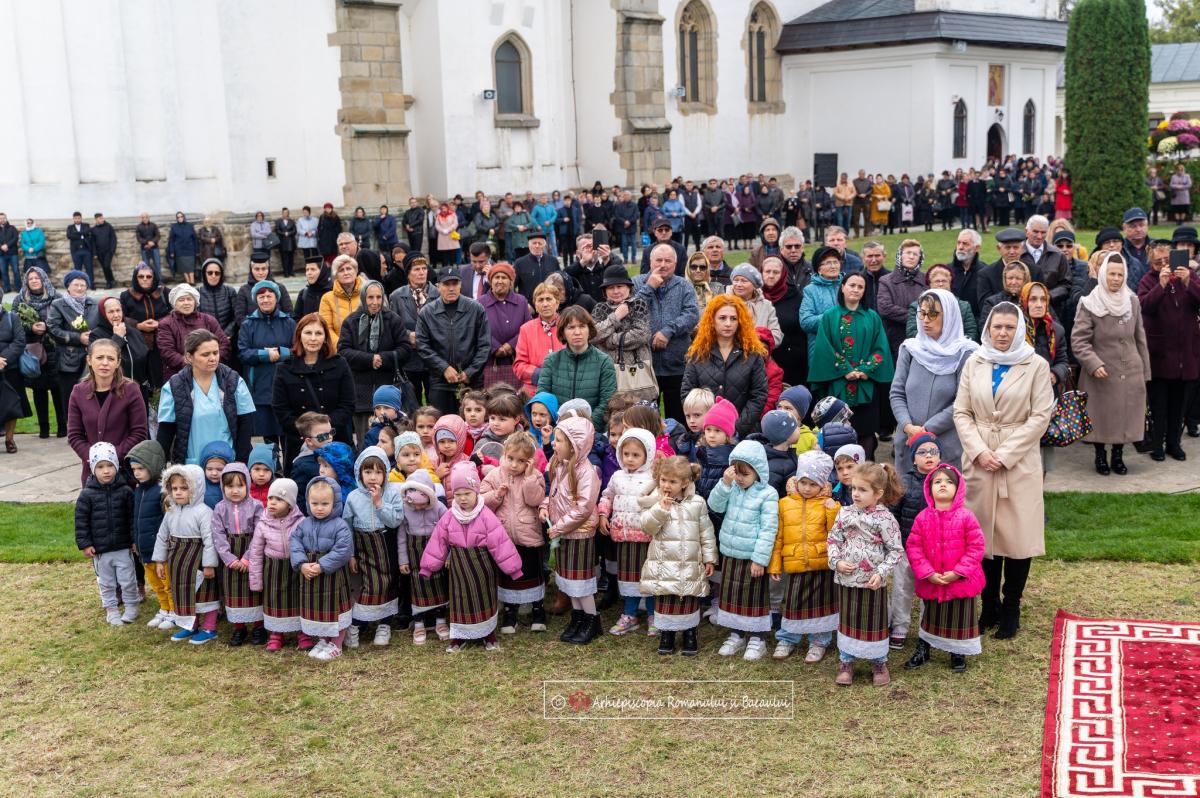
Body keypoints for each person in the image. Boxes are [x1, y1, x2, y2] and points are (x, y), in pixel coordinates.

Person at [953, 302, 1055, 639]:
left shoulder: (1036, 365)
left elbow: (1040, 416)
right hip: (979, 459)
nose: (1002, 333)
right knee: (983, 536)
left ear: (1020, 330)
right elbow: (961, 412)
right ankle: (989, 605)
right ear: (988, 328)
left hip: (1019, 460)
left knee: (1017, 536)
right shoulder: (975, 361)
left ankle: (1011, 606)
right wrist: (980, 451)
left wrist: (1005, 454)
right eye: (997, 326)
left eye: (1010, 327)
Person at [1072, 253, 1152, 475]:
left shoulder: (1132, 301)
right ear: (1102, 274)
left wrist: (1145, 372)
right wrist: (1093, 363)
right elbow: (1079, 341)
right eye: (1112, 274)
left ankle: (1118, 455)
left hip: (1130, 371)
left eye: (1120, 274)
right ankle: (1100, 455)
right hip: (1101, 373)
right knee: (1101, 417)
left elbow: (1140, 337)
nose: (1116, 279)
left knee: (1125, 417)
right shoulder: (1089, 303)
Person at [902, 464, 986, 672]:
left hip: (960, 581)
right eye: (937, 481)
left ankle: (957, 652)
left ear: (958, 489)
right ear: (929, 488)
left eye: (949, 482)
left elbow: (976, 547)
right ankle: (924, 648)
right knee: (931, 615)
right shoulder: (922, 517)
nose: (943, 485)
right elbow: (914, 547)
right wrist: (927, 573)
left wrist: (958, 572)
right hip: (933, 579)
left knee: (959, 617)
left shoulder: (966, 516)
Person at [827, 461, 904, 686]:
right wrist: (837, 561)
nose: (856, 494)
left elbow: (895, 551)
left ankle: (878, 661)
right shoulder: (844, 513)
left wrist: (881, 572)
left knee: (873, 621)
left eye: (862, 490)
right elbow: (833, 540)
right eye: (854, 488)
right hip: (847, 580)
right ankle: (846, 661)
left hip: (872, 582)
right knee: (849, 618)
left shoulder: (885, 519)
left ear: (878, 493)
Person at [890, 288, 978, 478]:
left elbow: (963, 401)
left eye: (933, 314)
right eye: (922, 313)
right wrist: (908, 426)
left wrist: (927, 430)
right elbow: (897, 393)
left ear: (950, 316)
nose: (925, 320)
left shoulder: (966, 353)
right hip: (908, 443)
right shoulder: (910, 349)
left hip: (945, 446)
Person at [809, 272, 895, 460]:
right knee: (838, 433)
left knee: (866, 434)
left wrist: (865, 370)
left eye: (860, 287)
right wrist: (846, 370)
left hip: (865, 385)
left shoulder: (872, 317)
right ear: (842, 287)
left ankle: (865, 469)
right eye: (852, 285)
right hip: (838, 385)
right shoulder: (830, 316)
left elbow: (880, 348)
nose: (855, 290)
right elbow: (824, 348)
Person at [638, 455, 716, 656]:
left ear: (685, 483)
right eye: (663, 480)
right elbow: (647, 527)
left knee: (688, 597)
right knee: (666, 598)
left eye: (672, 482)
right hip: (664, 563)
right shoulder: (656, 501)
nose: (666, 485)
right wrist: (660, 510)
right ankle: (667, 634)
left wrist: (709, 558)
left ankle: (690, 633)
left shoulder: (697, 503)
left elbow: (706, 532)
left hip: (689, 563)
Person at [708, 439, 778, 662]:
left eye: (745, 474)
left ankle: (757, 638)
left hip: (752, 557)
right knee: (732, 594)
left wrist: (760, 559)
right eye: (736, 472)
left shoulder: (768, 494)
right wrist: (724, 484)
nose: (739, 478)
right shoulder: (732, 487)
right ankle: (736, 634)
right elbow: (715, 506)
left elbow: (769, 529)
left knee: (753, 597)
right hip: (731, 552)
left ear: (758, 471)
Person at [770, 450, 840, 662]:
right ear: (797, 480)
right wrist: (775, 565)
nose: (807, 488)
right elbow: (778, 536)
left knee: (821, 605)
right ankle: (787, 638)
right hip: (795, 563)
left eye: (813, 484)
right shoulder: (784, 504)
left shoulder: (828, 504)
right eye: (804, 483)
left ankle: (819, 641)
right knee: (793, 603)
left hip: (821, 563)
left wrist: (832, 510)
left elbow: (835, 532)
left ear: (822, 484)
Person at [1138, 242, 1200, 461]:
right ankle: (1157, 444)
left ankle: (1174, 443)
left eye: (1167, 260)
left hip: (1186, 352)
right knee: (1159, 405)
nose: (1164, 264)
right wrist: (1161, 285)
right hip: (1160, 353)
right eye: (1158, 262)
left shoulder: (1189, 276)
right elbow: (1144, 306)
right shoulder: (1147, 280)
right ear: (1151, 263)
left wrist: (1188, 282)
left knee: (1178, 404)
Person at [157, 329, 254, 467]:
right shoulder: (174, 386)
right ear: (189, 357)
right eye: (205, 354)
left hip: (227, 465)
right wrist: (158, 467)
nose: (213, 358)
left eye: (216, 352)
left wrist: (240, 461)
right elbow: (166, 430)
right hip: (191, 465)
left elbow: (246, 424)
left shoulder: (234, 381)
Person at [545, 415, 603, 645]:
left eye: (559, 440)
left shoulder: (585, 471)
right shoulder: (560, 464)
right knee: (569, 580)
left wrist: (559, 527)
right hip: (564, 533)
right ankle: (578, 617)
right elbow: (553, 494)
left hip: (579, 534)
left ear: (574, 444)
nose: (554, 443)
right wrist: (544, 508)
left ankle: (592, 620)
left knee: (581, 583)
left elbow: (584, 508)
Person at [680, 294, 768, 440]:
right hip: (707, 436)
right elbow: (687, 393)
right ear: (712, 320)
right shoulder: (698, 354)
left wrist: (735, 427)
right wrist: (708, 425)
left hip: (742, 435)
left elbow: (759, 395)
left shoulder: (753, 354)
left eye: (733, 318)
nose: (728, 323)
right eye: (722, 318)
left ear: (740, 321)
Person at [597, 428, 658, 636]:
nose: (630, 459)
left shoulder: (652, 478)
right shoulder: (617, 477)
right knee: (628, 578)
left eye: (636, 455)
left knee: (647, 577)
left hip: (645, 537)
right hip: (623, 536)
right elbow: (607, 496)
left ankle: (653, 614)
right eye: (626, 454)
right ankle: (630, 613)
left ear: (647, 455)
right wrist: (603, 514)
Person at [632, 243, 700, 423]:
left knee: (677, 420)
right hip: (645, 365)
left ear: (675, 264)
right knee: (646, 420)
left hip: (677, 365)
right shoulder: (636, 283)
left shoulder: (684, 285)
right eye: (658, 260)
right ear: (650, 262)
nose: (663, 265)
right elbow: (631, 312)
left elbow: (692, 314)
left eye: (668, 261)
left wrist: (668, 331)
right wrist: (649, 287)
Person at [66, 336, 148, 485]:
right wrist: (95, 458)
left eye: (110, 358)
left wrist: (112, 457)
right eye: (99, 357)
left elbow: (139, 432)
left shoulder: (131, 390)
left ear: (118, 362)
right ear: (89, 360)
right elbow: (74, 435)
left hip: (124, 473)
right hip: (92, 473)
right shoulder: (78, 392)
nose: (105, 363)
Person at [152, 463, 219, 643]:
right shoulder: (171, 511)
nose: (178, 492)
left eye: (184, 488)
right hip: (178, 562)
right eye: (174, 488)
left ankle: (210, 628)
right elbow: (162, 536)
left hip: (198, 562)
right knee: (185, 595)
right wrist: (159, 561)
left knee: (204, 596)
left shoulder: (204, 512)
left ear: (196, 488)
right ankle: (190, 626)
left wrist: (209, 565)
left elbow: (210, 541)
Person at [338, 280, 411, 444]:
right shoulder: (352, 321)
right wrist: (369, 359)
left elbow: (405, 349)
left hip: (388, 394)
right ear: (363, 298)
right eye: (370, 297)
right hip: (360, 393)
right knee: (366, 443)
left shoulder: (393, 320)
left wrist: (383, 358)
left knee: (391, 441)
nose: (375, 302)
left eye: (379, 297)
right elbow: (343, 351)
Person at [289, 477, 354, 661]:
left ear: (335, 503)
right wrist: (302, 564)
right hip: (311, 574)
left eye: (325, 504)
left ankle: (337, 644)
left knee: (336, 610)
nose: (319, 508)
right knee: (319, 609)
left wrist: (322, 565)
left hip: (333, 576)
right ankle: (324, 639)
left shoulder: (340, 525)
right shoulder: (304, 524)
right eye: (315, 503)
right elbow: (295, 543)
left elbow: (343, 550)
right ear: (308, 502)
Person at [76, 442, 139, 626]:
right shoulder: (87, 495)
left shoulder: (126, 491)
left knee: (128, 580)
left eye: (110, 465)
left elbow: (132, 518)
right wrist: (85, 543)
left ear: (116, 466)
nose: (106, 471)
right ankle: (111, 609)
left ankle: (131, 606)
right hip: (101, 550)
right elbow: (81, 522)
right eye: (100, 466)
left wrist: (134, 540)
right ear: (93, 469)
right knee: (106, 582)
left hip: (123, 547)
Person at [416, 268, 492, 415]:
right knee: (442, 424)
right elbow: (422, 345)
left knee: (472, 424)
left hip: (471, 382)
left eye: (455, 283)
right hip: (440, 382)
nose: (451, 288)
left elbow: (485, 345)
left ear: (460, 285)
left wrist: (470, 372)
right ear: (438, 286)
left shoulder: (476, 309)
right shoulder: (427, 312)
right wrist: (443, 368)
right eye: (446, 284)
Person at [535, 306, 617, 431]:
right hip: (557, 430)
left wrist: (585, 427)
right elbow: (543, 398)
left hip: (592, 431)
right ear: (563, 332)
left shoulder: (604, 362)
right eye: (571, 327)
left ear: (589, 330)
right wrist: (560, 427)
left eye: (582, 326)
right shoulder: (551, 361)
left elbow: (606, 402)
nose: (577, 332)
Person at [247, 478, 306, 650]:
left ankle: (302, 633)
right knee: (274, 601)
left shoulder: (301, 522)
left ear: (290, 504)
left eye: (279, 499)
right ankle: (276, 633)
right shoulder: (263, 524)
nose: (272, 502)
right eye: (270, 498)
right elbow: (255, 553)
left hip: (295, 568)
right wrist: (256, 581)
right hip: (273, 570)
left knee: (297, 600)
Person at [210, 463, 265, 646]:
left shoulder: (256, 506)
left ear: (247, 485)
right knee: (233, 592)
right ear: (223, 487)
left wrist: (248, 557)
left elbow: (259, 533)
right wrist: (229, 559)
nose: (235, 490)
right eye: (230, 486)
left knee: (254, 590)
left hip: (251, 553)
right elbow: (218, 535)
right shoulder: (219, 508)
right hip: (231, 558)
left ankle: (258, 626)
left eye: (240, 485)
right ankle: (239, 627)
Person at [238, 280, 296, 442]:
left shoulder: (289, 323)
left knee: (288, 433)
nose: (265, 300)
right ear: (256, 300)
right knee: (269, 436)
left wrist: (280, 353)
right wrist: (264, 355)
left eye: (269, 296)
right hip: (260, 386)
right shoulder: (248, 325)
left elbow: (298, 350)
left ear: (276, 298)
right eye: (261, 297)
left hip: (286, 384)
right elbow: (243, 353)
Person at [12, 267, 63, 438]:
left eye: (37, 277)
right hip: (33, 352)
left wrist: (48, 326)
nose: (34, 280)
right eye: (30, 278)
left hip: (55, 349)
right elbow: (14, 324)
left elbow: (64, 320)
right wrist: (30, 328)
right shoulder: (20, 299)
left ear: (44, 279)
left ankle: (62, 427)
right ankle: (44, 429)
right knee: (38, 391)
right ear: (26, 281)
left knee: (58, 390)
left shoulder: (56, 297)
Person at [126, 441, 169, 629]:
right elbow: (136, 518)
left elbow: (166, 522)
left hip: (159, 549)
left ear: (153, 465)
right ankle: (164, 608)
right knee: (155, 583)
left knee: (167, 582)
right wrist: (135, 540)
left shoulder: (162, 491)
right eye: (134, 469)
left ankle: (174, 611)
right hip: (144, 549)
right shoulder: (138, 491)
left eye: (141, 468)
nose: (136, 473)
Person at [156, 283, 229, 383]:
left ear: (195, 302)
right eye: (181, 300)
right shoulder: (166, 324)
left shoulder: (208, 320)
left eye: (189, 299)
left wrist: (211, 361)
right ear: (174, 303)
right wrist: (195, 365)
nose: (186, 303)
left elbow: (224, 343)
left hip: (210, 373)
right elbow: (167, 352)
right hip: (179, 376)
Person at [48, 270, 99, 409]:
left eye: (83, 285)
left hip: (92, 358)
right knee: (70, 400)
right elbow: (53, 329)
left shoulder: (94, 304)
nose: (79, 288)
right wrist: (78, 338)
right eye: (76, 284)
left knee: (91, 399)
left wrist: (93, 336)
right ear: (68, 286)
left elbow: (101, 326)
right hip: (68, 360)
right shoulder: (58, 304)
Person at [389, 253, 434, 402]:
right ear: (408, 273)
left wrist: (422, 337)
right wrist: (407, 335)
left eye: (424, 268)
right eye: (416, 269)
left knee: (435, 405)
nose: (421, 272)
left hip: (433, 358)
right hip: (409, 359)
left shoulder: (438, 294)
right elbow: (392, 325)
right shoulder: (396, 296)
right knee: (412, 405)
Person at [478, 262, 528, 390]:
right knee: (493, 396)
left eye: (504, 277)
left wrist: (511, 345)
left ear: (511, 281)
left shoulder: (521, 301)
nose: (500, 281)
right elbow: (478, 330)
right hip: (490, 361)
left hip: (517, 359)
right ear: (490, 281)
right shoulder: (481, 302)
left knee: (516, 397)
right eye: (496, 277)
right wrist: (496, 347)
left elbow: (528, 329)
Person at [513, 281, 565, 397]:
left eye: (549, 299)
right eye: (540, 300)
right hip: (535, 392)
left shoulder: (567, 326)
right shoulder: (526, 329)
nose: (545, 304)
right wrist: (541, 374)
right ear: (535, 306)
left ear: (557, 303)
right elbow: (519, 366)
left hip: (565, 389)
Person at [90, 297, 150, 390]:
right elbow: (103, 359)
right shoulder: (96, 335)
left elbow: (145, 357)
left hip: (139, 387)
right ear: (103, 314)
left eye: (118, 310)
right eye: (111, 312)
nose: (116, 315)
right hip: (112, 388)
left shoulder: (134, 332)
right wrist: (118, 337)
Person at [800, 246, 844, 359]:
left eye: (835, 262)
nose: (833, 266)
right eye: (828, 263)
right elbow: (806, 322)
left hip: (848, 346)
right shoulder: (810, 290)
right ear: (819, 269)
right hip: (822, 349)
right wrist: (832, 316)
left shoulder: (849, 285)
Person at [725, 264, 782, 346]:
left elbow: (776, 335)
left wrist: (758, 344)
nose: (739, 284)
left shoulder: (766, 305)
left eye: (744, 281)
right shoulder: (723, 303)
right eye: (736, 280)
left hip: (759, 351)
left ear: (754, 285)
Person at [235, 253, 294, 327]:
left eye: (264, 269)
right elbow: (240, 317)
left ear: (268, 270)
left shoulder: (280, 288)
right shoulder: (244, 290)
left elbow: (289, 313)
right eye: (257, 269)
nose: (260, 273)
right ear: (251, 270)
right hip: (253, 330)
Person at [318, 254, 363, 348]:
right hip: (339, 350)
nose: (346, 273)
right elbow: (326, 328)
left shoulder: (367, 293)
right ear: (336, 275)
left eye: (349, 268)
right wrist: (342, 348)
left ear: (356, 271)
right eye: (341, 270)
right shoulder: (327, 298)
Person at [196, 258, 238, 344]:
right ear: (204, 274)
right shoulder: (197, 292)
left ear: (221, 274)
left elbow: (237, 315)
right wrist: (208, 337)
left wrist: (227, 333)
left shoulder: (230, 291)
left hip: (228, 338)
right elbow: (195, 319)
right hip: (205, 339)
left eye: (217, 273)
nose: (213, 276)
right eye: (210, 273)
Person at [66, 212, 94, 281]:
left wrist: (76, 233)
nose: (77, 220)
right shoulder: (70, 227)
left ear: (81, 218)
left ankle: (90, 284)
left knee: (89, 268)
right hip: (76, 251)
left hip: (86, 250)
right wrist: (82, 235)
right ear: (73, 219)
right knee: (77, 270)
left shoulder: (86, 225)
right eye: (76, 218)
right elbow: (69, 236)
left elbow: (87, 232)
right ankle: (79, 284)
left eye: (79, 218)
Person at [275, 207, 298, 278]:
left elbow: (295, 230)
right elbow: (277, 230)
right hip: (282, 242)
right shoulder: (279, 221)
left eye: (287, 213)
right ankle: (286, 272)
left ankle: (291, 271)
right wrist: (283, 233)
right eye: (284, 213)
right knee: (284, 258)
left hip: (291, 242)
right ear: (282, 213)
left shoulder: (291, 221)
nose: (285, 214)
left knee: (291, 257)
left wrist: (289, 233)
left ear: (288, 213)